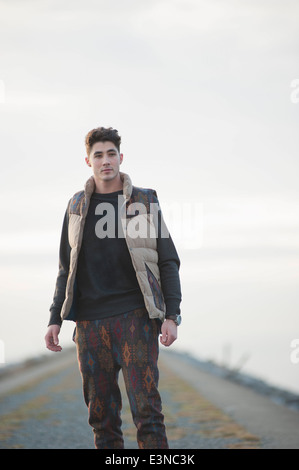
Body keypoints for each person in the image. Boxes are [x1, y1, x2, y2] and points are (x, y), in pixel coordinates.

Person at [45, 127, 182, 449]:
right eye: (98, 155)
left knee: (147, 412)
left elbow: (167, 261)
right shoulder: (77, 206)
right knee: (101, 419)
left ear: (121, 157)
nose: (105, 161)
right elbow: (66, 267)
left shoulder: (143, 201)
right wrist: (55, 317)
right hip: (90, 324)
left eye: (111, 154)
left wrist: (172, 315)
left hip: (135, 318)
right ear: (88, 161)